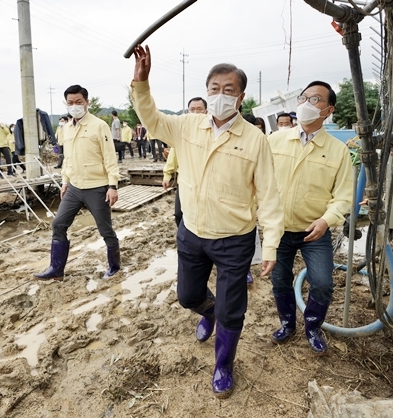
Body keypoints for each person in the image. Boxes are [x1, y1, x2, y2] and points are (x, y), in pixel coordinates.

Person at [131, 45, 284, 398]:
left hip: (234, 239)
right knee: (187, 296)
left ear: (241, 97)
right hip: (192, 232)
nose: (219, 95)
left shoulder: (255, 139)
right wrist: (141, 84)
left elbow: (269, 196)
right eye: (214, 88)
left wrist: (272, 245)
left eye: (228, 90)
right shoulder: (186, 126)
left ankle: (224, 365)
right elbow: (151, 120)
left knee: (234, 311)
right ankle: (208, 312)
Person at [267, 81, 353, 355]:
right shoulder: (275, 140)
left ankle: (313, 326)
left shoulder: (338, 151)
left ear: (328, 110)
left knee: (323, 282)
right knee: (279, 280)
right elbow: (258, 180)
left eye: (314, 99)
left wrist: (326, 220)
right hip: (279, 229)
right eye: (303, 97)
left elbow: (344, 195)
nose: (305, 103)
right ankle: (287, 323)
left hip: (315, 231)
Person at [35, 84, 121, 282]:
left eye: (79, 102)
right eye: (70, 103)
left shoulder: (100, 126)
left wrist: (112, 186)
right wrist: (65, 181)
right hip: (74, 187)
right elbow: (67, 158)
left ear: (87, 103)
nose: (74, 106)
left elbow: (110, 157)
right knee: (58, 224)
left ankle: (114, 266)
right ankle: (56, 269)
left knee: (105, 229)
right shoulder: (65, 128)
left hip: (97, 187)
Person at [162, 97, 207, 227]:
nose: (196, 112)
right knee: (179, 214)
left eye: (199, 109)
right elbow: (173, 154)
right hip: (185, 181)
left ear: (206, 111)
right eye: (192, 109)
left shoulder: (212, 132)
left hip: (204, 182)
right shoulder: (183, 131)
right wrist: (167, 174)